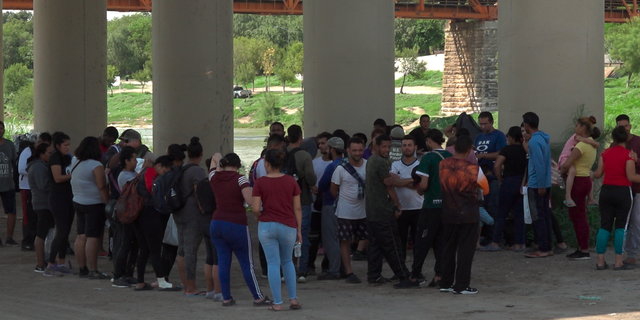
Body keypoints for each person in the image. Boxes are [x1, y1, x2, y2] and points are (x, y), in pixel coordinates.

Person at [209, 152, 272, 306]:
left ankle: (226, 297)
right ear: (237, 166)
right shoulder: (240, 178)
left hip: (216, 223)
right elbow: (250, 201)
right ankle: (258, 297)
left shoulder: (213, 177)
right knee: (247, 263)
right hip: (236, 223)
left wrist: (219, 164)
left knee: (223, 262)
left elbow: (215, 156)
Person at [395, 129, 451, 289]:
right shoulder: (449, 157)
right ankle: (439, 275)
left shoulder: (429, 158)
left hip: (431, 205)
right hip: (447, 205)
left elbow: (423, 184)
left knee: (422, 242)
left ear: (428, 141)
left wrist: (419, 190)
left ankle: (414, 276)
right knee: (441, 242)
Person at [438, 135, 489, 295]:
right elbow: (486, 189)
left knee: (448, 249)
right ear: (469, 151)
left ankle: (445, 283)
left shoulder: (442, 164)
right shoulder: (473, 168)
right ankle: (461, 285)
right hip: (468, 212)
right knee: (466, 250)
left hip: (447, 211)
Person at [253, 149, 303, 311]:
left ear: (266, 163)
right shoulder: (291, 181)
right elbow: (297, 208)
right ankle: (293, 299)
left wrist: (258, 216)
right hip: (288, 225)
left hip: (267, 225)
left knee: (272, 263)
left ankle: (277, 303)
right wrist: (299, 230)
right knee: (287, 261)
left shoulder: (260, 182)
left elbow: (255, 208)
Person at [591, 126, 640, 270]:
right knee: (621, 227)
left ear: (613, 138)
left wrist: (591, 175)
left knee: (604, 226)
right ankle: (618, 261)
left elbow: (598, 174)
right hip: (623, 192)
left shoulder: (605, 153)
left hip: (606, 192)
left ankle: (600, 261)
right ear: (626, 138)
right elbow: (631, 176)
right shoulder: (628, 155)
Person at [365, 135, 410, 285]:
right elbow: (389, 185)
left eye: (389, 147)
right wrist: (398, 205)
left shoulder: (371, 160)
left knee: (375, 246)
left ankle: (374, 275)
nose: (387, 150)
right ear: (376, 146)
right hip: (383, 211)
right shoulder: (381, 162)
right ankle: (403, 275)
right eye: (384, 147)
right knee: (393, 245)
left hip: (371, 211)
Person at [132, 156, 178, 291]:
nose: (165, 174)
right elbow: (152, 190)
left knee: (144, 249)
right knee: (155, 249)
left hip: (138, 214)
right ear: (159, 166)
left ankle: (140, 282)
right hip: (150, 213)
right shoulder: (150, 172)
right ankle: (162, 281)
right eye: (164, 170)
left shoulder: (142, 172)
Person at [174, 137, 211, 296]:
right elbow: (199, 194)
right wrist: (204, 210)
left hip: (179, 212)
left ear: (188, 153)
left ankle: (185, 286)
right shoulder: (197, 171)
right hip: (192, 215)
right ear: (201, 153)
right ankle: (191, 288)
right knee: (190, 252)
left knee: (182, 250)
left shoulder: (181, 168)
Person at [480, 126, 527, 252]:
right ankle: (520, 243)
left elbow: (496, 166)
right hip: (521, 182)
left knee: (501, 213)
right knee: (519, 214)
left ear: (511, 138)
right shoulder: (525, 149)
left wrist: (500, 180)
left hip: (508, 182)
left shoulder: (506, 149)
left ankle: (495, 242)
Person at [560, 116, 600, 260]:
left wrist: (561, 171)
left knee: (579, 216)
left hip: (579, 181)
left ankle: (583, 249)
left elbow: (567, 164)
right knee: (577, 215)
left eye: (577, 125)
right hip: (585, 180)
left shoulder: (581, 146)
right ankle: (581, 247)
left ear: (583, 128)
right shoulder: (590, 145)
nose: (575, 127)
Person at [70, 136, 110, 279]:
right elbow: (102, 186)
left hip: (78, 201)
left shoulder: (75, 161)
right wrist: (108, 203)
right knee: (93, 237)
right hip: (94, 204)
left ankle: (82, 268)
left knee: (81, 236)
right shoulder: (96, 165)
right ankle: (93, 270)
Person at [330, 137, 367, 284]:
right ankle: (349, 271)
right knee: (344, 241)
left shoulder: (368, 165)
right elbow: (334, 190)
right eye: (355, 150)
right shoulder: (340, 169)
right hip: (345, 211)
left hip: (363, 211)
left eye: (360, 150)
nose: (358, 153)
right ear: (348, 151)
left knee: (366, 238)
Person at [285, 125, 317, 283]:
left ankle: (286, 270)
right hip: (302, 199)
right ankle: (302, 271)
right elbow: (312, 179)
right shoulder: (304, 155)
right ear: (300, 137)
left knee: (284, 235)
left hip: (283, 202)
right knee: (302, 234)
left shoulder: (280, 154)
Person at [387, 135, 423, 262]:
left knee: (417, 244)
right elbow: (391, 182)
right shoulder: (395, 164)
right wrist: (414, 180)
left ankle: (417, 272)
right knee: (400, 243)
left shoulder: (421, 164)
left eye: (409, 145)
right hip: (400, 209)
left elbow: (420, 185)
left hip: (418, 208)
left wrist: (400, 180)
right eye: (404, 145)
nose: (407, 148)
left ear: (415, 147)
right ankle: (401, 271)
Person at [523, 112, 554, 259]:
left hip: (537, 185)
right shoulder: (543, 138)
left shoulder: (534, 142)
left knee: (538, 217)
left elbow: (539, 164)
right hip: (545, 183)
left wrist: (540, 185)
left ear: (527, 125)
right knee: (545, 215)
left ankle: (542, 247)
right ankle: (548, 246)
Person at [45, 132, 76, 276]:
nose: (67, 147)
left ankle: (61, 261)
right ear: (57, 145)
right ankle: (51, 264)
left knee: (66, 231)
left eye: (69, 145)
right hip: (58, 198)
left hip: (68, 197)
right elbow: (58, 178)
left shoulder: (66, 158)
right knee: (61, 230)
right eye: (65, 145)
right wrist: (74, 175)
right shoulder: (55, 158)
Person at [474, 112, 506, 241]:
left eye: (485, 124)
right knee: (481, 207)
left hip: (492, 175)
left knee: (493, 206)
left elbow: (501, 154)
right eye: (481, 124)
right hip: (479, 176)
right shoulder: (478, 137)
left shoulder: (499, 136)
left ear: (492, 122)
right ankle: (484, 236)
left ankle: (495, 237)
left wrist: (483, 156)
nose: (483, 127)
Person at [317, 137, 345, 280]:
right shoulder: (347, 164)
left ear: (332, 150)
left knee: (331, 239)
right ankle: (344, 268)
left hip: (330, 204)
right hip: (346, 206)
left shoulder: (332, 166)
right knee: (343, 239)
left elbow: (322, 185)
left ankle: (334, 270)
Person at [111, 146, 140, 288]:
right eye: (134, 159)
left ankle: (128, 273)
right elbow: (136, 186)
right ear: (127, 161)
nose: (136, 162)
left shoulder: (133, 173)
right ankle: (118, 275)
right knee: (125, 245)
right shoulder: (124, 175)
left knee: (134, 246)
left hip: (134, 214)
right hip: (127, 214)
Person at [18, 132, 52, 251]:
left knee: (39, 216)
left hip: (38, 189)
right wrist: (36, 173)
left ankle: (37, 239)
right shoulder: (28, 151)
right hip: (27, 188)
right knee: (28, 215)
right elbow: (21, 168)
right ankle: (27, 240)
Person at [615, 115, 640, 266]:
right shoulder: (614, 145)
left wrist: (637, 160)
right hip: (621, 189)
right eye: (620, 126)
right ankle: (622, 254)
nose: (623, 128)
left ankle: (632, 254)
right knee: (623, 223)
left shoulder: (638, 141)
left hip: (637, 189)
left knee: (636, 222)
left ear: (630, 126)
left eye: (625, 126)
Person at [27, 143, 54, 273]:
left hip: (43, 203)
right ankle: (40, 263)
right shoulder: (38, 167)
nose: (51, 155)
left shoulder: (39, 165)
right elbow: (44, 186)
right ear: (41, 154)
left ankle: (44, 262)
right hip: (43, 204)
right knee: (41, 234)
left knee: (46, 233)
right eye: (49, 153)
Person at [309, 132, 333, 275]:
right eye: (320, 143)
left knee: (329, 238)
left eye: (323, 143)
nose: (320, 146)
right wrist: (313, 188)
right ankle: (310, 265)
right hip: (315, 206)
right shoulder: (314, 162)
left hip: (329, 206)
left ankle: (327, 265)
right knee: (313, 237)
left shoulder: (335, 164)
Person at [558, 130, 599, 208]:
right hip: (565, 158)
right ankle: (568, 196)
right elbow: (585, 140)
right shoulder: (577, 136)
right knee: (572, 171)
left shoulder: (584, 142)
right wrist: (595, 143)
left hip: (570, 159)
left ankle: (590, 199)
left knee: (590, 174)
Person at [0, 121, 18, 247]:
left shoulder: (9, 145)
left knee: (11, 211)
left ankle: (9, 238)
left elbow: (13, 162)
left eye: (1, 128)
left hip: (8, 185)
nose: (0, 130)